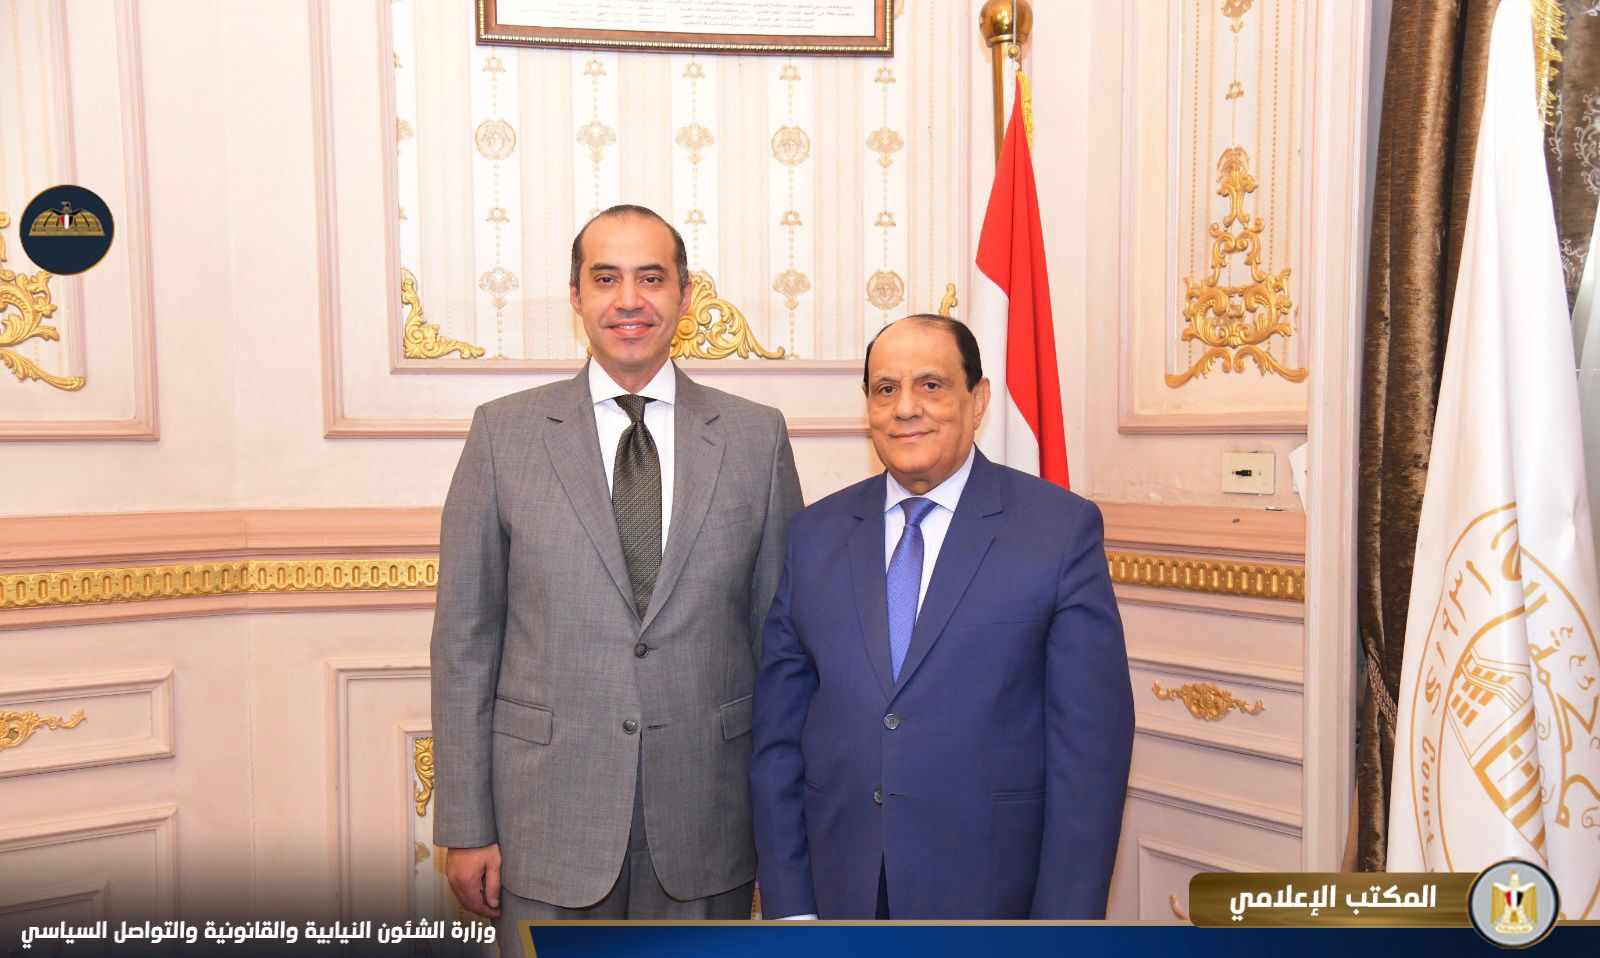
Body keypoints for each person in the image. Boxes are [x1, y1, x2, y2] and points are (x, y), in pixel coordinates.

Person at [431, 205, 803, 930]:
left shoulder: (756, 439)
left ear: (685, 295)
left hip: (709, 821)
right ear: (576, 296)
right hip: (546, 824)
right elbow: (464, 645)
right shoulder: (503, 435)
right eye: (606, 279)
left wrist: (784, 825)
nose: (629, 300)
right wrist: (467, 825)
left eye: (651, 278)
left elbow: (781, 646)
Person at [750, 314, 1133, 920]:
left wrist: (1061, 930)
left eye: (930, 385)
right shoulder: (814, 535)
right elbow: (777, 740)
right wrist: (791, 908)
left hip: (993, 903)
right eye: (886, 389)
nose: (906, 408)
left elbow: (1091, 757)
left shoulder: (1059, 531)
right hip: (840, 895)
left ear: (977, 400)